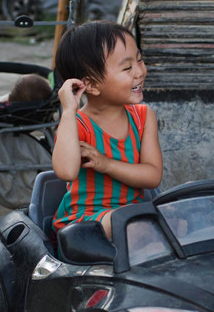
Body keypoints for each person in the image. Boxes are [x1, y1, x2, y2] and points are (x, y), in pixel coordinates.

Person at [51, 21, 162, 238]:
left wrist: (106, 164)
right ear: (91, 85)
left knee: (176, 222)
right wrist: (68, 112)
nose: (139, 72)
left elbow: (153, 176)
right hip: (84, 224)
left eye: (139, 60)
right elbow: (65, 172)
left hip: (134, 216)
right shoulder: (77, 124)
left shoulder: (143, 117)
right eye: (127, 67)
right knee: (130, 222)